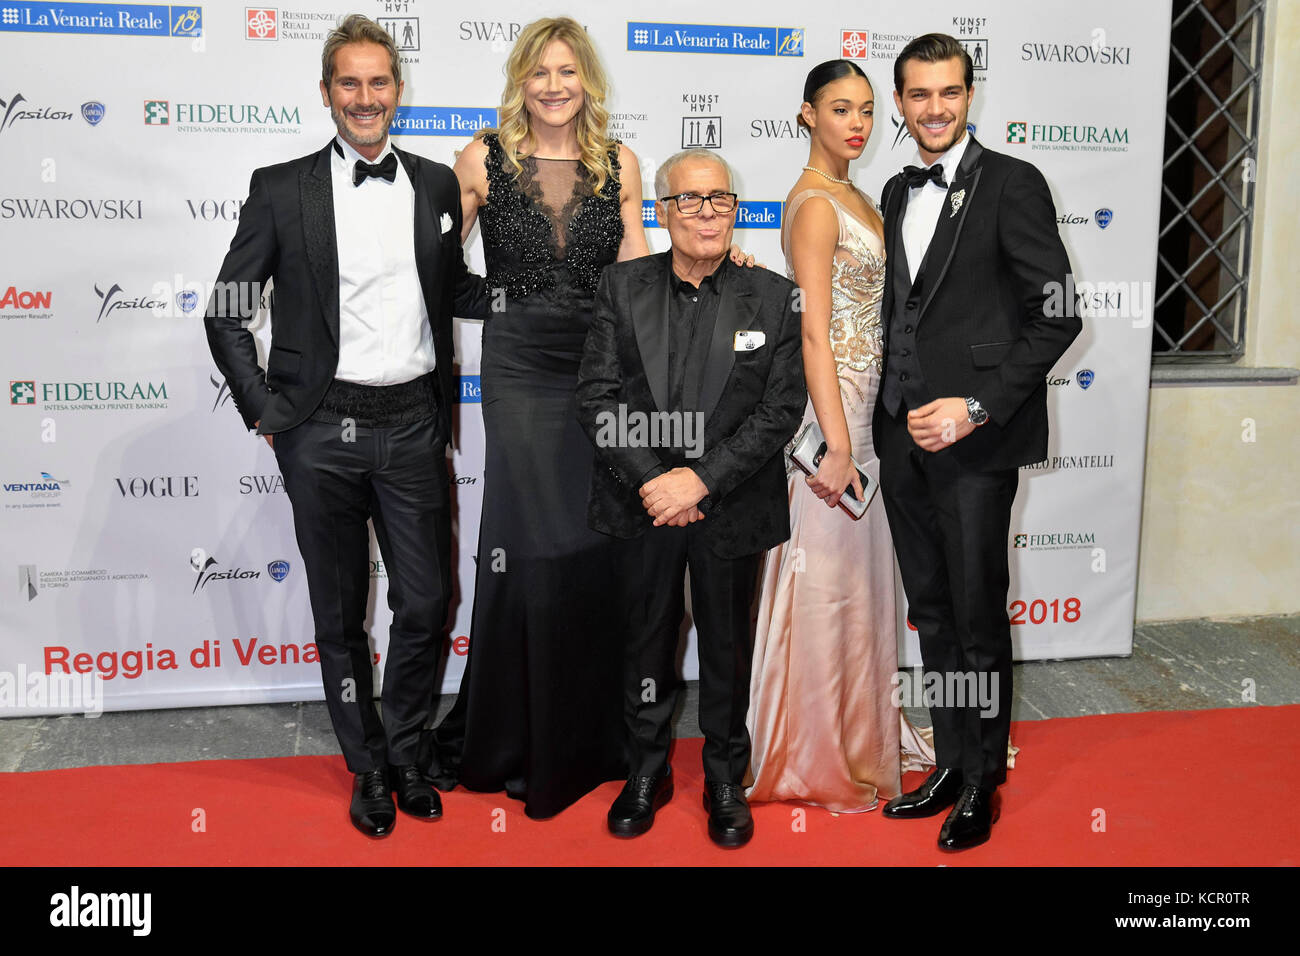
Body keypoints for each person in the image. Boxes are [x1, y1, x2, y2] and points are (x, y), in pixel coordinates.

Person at [204, 15, 489, 838]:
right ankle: (367, 768)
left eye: (379, 82)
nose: (365, 98)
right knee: (339, 615)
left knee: (427, 602)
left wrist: (542, 299)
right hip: (320, 430)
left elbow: (453, 293)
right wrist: (266, 408)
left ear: (399, 91)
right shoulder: (279, 186)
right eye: (349, 84)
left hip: (411, 426)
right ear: (327, 93)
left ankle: (405, 751)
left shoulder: (437, 185)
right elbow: (227, 311)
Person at [425, 17, 650, 819]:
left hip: (598, 368)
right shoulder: (481, 159)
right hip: (519, 368)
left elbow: (634, 271)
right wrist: (507, 301)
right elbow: (437, 268)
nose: (554, 85)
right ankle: (515, 735)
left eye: (567, 71)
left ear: (587, 79)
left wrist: (716, 263)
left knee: (591, 538)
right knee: (527, 541)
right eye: (538, 72)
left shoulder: (617, 162)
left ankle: (588, 736)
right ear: (520, 81)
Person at [873, 34, 1078, 849]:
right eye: (918, 94)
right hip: (900, 438)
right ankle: (952, 763)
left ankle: (984, 782)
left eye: (948, 93)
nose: (933, 108)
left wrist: (977, 407)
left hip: (976, 444)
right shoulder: (893, 190)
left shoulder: (1014, 183)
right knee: (931, 617)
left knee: (977, 616)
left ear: (969, 95)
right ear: (900, 101)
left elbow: (1057, 310)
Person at [576, 149, 806, 848]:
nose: (707, 213)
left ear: (735, 208)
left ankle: (725, 778)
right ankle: (645, 772)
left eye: (720, 200)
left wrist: (701, 479)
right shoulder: (621, 286)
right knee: (645, 643)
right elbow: (595, 395)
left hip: (730, 502)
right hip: (639, 502)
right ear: (663, 210)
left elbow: (780, 407)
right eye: (690, 200)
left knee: (727, 648)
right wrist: (654, 481)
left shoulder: (772, 294)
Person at [746, 60, 935, 814]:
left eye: (864, 110)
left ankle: (858, 732)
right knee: (821, 584)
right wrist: (837, 443)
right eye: (838, 109)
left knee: (855, 586)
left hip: (866, 412)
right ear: (806, 115)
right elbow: (815, 336)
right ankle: (810, 749)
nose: (855, 124)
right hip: (835, 415)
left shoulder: (859, 194)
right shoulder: (817, 205)